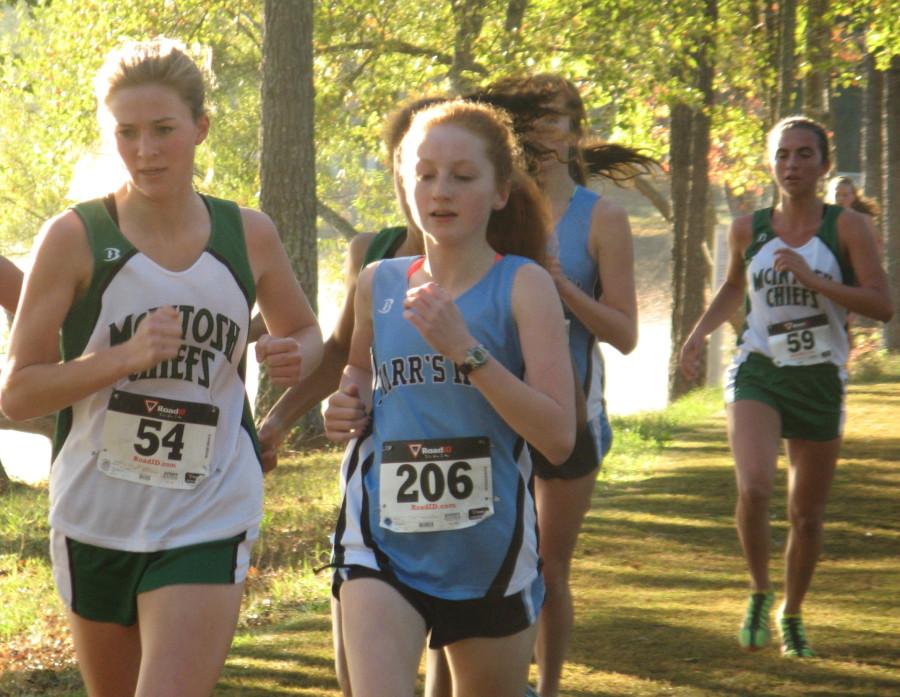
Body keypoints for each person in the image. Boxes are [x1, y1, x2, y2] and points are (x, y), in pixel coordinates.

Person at [0, 39, 323, 697]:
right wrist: (123, 356)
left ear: (200, 129)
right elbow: (18, 389)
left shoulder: (248, 234)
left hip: (208, 504)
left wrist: (295, 353)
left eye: (164, 130)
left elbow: (308, 333)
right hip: (96, 510)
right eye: (127, 133)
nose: (145, 150)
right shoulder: (75, 237)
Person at [324, 99, 576, 697]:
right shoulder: (379, 282)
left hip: (488, 545)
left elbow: (559, 437)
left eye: (463, 176)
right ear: (407, 186)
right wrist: (343, 405)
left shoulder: (525, 286)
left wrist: (465, 348)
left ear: (498, 193)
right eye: (425, 173)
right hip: (381, 536)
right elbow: (358, 372)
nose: (441, 190)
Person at [680, 116, 891, 658]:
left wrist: (816, 280)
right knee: (754, 487)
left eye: (803, 155)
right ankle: (757, 589)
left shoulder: (847, 228)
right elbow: (732, 288)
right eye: (782, 156)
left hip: (821, 376)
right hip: (759, 367)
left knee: (807, 515)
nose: (791, 166)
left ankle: (792, 611)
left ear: (823, 164)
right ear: (770, 164)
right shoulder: (748, 228)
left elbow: (882, 305)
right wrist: (698, 335)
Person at [255, 96, 437, 697]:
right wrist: (278, 421)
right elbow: (340, 353)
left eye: (446, 168)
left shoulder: (508, 263)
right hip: (377, 482)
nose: (425, 183)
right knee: (355, 678)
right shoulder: (372, 252)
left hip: (473, 488)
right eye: (412, 165)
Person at [474, 74, 647, 697]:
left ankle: (545, 688)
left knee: (549, 564)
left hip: (571, 414)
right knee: (492, 560)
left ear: (577, 131)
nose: (545, 133)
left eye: (558, 120)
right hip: (494, 410)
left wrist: (560, 286)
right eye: (534, 120)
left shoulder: (602, 218)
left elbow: (626, 334)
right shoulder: (493, 205)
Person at [826, 176, 883, 257]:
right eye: (837, 194)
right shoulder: (825, 218)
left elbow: (878, 244)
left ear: (853, 196)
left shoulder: (863, 219)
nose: (840, 199)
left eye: (845, 195)